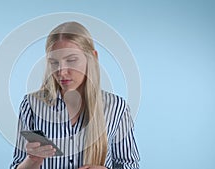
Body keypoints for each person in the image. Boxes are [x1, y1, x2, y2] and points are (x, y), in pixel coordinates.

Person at [10, 21, 140, 169]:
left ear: (92, 57)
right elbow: (16, 164)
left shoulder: (117, 108)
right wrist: (32, 161)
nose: (61, 71)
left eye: (71, 60)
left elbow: (129, 165)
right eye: (54, 62)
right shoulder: (31, 105)